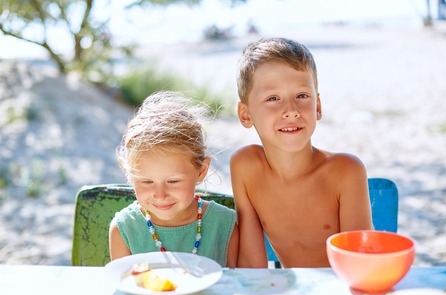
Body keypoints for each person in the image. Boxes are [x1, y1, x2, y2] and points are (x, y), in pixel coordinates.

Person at [231, 37, 373, 268]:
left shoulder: (345, 171)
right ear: (245, 114)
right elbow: (252, 266)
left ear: (317, 107)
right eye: (273, 98)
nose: (291, 110)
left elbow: (360, 266)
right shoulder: (245, 167)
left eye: (301, 96)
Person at [109, 91, 239, 268]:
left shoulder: (225, 225)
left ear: (201, 171)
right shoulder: (123, 229)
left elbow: (237, 287)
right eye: (146, 181)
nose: (160, 194)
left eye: (173, 181)